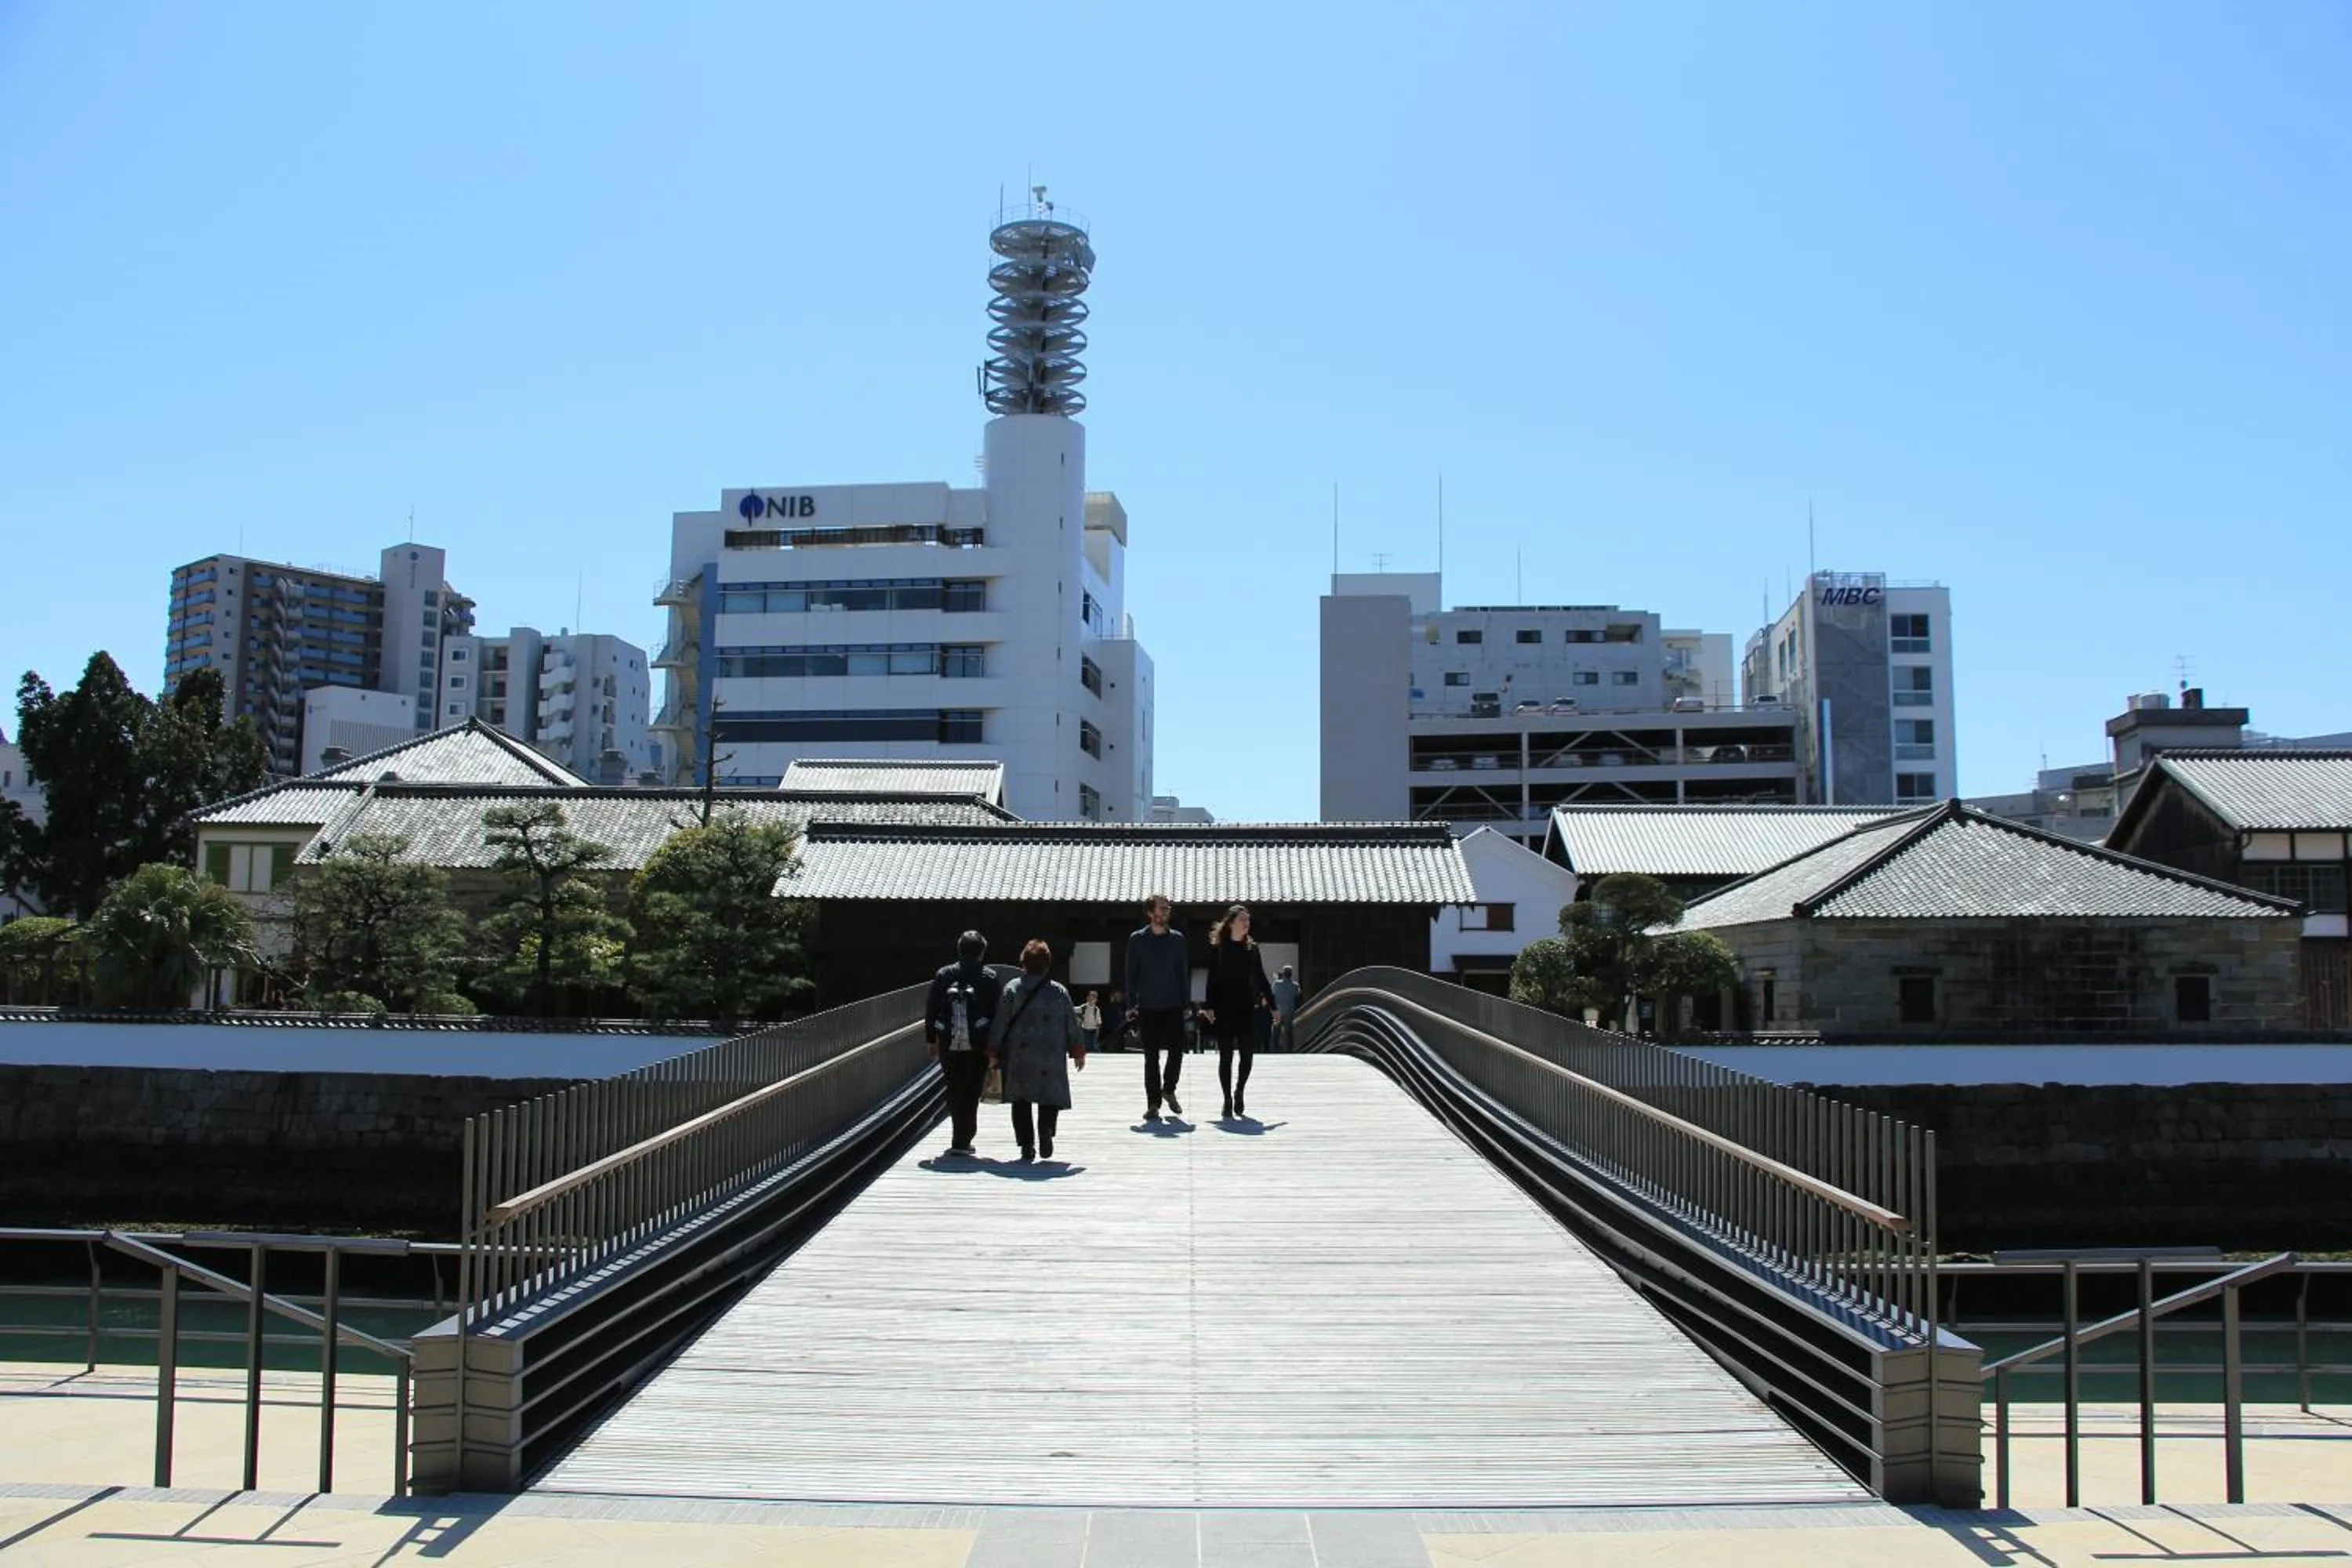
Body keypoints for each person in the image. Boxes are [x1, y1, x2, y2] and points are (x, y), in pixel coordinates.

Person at [989, 939, 1086, 1162]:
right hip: (1050, 1052)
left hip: (1019, 1054)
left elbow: (1001, 1022)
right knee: (1049, 1093)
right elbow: (1071, 1022)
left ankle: (1026, 1146)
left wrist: (993, 1051)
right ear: (1047, 964)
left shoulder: (1013, 988)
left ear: (1023, 963)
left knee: (1020, 1100)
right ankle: (1047, 1130)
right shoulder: (1058, 991)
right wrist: (1078, 1050)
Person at [924, 930, 1003, 1157]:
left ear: (959, 950)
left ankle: (959, 1138)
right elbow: (998, 1014)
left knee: (953, 1086)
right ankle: (964, 1138)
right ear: (982, 953)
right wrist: (996, 1047)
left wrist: (931, 1039)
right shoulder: (989, 977)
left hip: (948, 1040)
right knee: (971, 1088)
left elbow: (932, 1009)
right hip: (978, 1042)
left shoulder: (944, 975)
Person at [1200, 904, 1273, 1120]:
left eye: (1248, 920)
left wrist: (1273, 1005)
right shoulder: (1219, 948)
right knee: (1225, 1057)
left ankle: (1239, 1090)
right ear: (1231, 923)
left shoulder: (1252, 948)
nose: (1247, 923)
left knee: (1247, 1056)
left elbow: (1261, 977)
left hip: (1245, 1007)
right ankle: (1227, 1099)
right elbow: (1211, 980)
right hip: (1223, 1008)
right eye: (1243, 919)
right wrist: (1208, 1006)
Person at [1123, 893, 1190, 1121]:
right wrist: (1131, 1004)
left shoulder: (1177, 940)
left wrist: (1186, 1002)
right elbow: (1131, 974)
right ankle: (1153, 1103)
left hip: (1173, 1003)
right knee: (1150, 1056)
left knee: (1177, 1051)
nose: (1165, 911)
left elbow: (1183, 973)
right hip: (1148, 1006)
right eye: (1161, 908)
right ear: (1150, 913)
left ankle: (1169, 1089)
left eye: (1168, 908)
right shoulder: (1137, 939)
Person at [1270, 964, 1302, 1052]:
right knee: (1288, 1033)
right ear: (1291, 974)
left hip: (1278, 1012)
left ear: (1283, 974)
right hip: (1289, 1011)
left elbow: (1272, 993)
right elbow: (1298, 995)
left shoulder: (1276, 984)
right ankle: (1289, 1051)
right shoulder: (1295, 985)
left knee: (1276, 1032)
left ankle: (1275, 1050)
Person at [1077, 989, 1102, 1055]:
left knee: (1094, 1044)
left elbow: (1098, 1021)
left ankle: (1096, 1054)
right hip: (1085, 1029)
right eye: (1090, 998)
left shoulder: (1096, 1010)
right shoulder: (1084, 1007)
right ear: (1087, 998)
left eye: (1093, 999)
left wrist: (1098, 1029)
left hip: (1093, 1030)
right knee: (1085, 1043)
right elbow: (1076, 1011)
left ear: (1096, 1000)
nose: (1091, 1000)